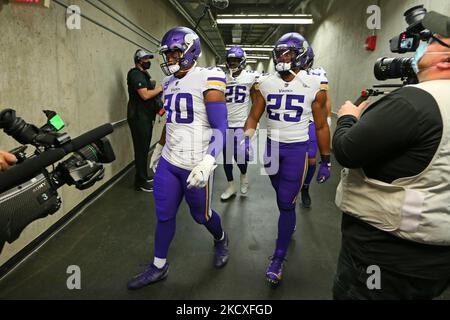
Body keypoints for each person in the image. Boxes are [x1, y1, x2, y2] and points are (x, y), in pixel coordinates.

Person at [333, 25, 450, 299]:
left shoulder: (415, 101)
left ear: (446, 60)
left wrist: (347, 118)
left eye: (426, 43)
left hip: (385, 256)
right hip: (434, 260)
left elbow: (347, 151)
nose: (416, 50)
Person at [127, 27, 230, 290]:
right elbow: (172, 120)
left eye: (174, 52)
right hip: (170, 163)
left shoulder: (209, 77)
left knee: (202, 216)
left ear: (190, 50)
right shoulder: (169, 82)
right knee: (164, 216)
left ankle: (220, 239)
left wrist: (208, 161)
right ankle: (159, 266)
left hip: (196, 163)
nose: (170, 58)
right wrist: (159, 148)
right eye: (168, 53)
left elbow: (221, 127)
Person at [244, 32, 331, 286]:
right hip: (271, 148)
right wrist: (246, 138)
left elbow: (322, 126)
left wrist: (326, 159)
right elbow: (254, 116)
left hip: (296, 150)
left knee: (285, 202)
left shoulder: (315, 84)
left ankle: (278, 259)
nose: (282, 57)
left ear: (301, 56)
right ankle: (288, 216)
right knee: (279, 192)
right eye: (279, 53)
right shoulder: (266, 82)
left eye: (288, 53)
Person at [220, 46, 259, 201]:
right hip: (224, 124)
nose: (233, 63)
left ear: (242, 61)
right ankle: (231, 186)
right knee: (226, 158)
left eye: (236, 60)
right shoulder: (221, 78)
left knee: (240, 157)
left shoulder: (250, 77)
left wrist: (251, 125)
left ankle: (243, 175)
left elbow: (257, 103)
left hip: (241, 124)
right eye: (231, 60)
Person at [299, 46, 333, 208]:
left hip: (311, 121)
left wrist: (326, 116)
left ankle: (305, 188)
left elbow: (326, 98)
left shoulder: (318, 74)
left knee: (311, 160)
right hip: (292, 122)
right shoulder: (285, 74)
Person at [127, 49, 164, 192]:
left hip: (145, 117)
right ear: (139, 60)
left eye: (149, 59)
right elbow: (145, 95)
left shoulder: (143, 74)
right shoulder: (135, 74)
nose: (148, 61)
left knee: (144, 148)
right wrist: (161, 88)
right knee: (141, 149)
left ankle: (142, 176)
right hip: (138, 117)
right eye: (145, 59)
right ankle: (140, 181)